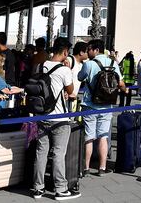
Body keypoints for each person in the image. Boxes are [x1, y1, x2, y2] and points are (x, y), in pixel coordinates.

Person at [31, 37, 80, 201]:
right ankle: (61, 189)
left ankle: (38, 188)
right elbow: (71, 89)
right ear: (65, 52)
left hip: (42, 114)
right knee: (59, 153)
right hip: (59, 117)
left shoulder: (41, 65)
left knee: (41, 152)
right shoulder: (64, 70)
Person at [78, 39, 125, 175]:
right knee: (103, 137)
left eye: (89, 49)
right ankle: (102, 167)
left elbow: (80, 77)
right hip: (107, 105)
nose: (88, 52)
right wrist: (125, 90)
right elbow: (121, 83)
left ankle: (86, 168)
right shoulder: (113, 63)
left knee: (89, 137)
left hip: (90, 105)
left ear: (96, 49)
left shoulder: (89, 65)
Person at [68, 42, 88, 111]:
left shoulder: (83, 64)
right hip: (66, 97)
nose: (88, 53)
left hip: (74, 98)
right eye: (87, 51)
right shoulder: (70, 60)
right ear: (81, 52)